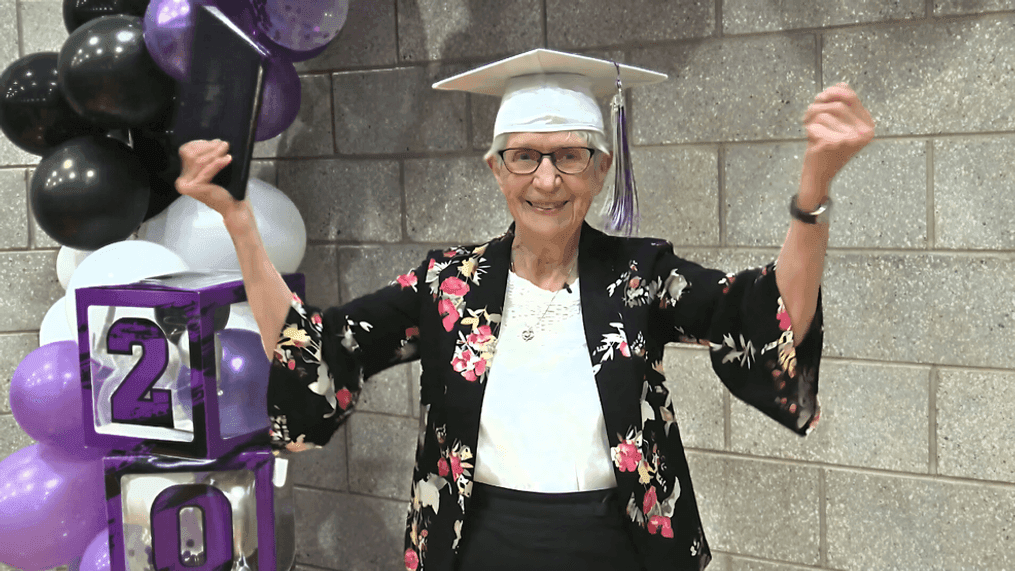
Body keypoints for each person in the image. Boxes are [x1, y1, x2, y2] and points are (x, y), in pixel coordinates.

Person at [175, 49, 873, 571]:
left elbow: (764, 316)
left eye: (569, 156)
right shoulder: (449, 284)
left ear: (601, 170)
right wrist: (239, 222)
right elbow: (314, 347)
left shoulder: (640, 276)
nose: (546, 179)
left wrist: (811, 189)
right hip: (476, 545)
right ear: (494, 168)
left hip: (619, 546)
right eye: (524, 157)